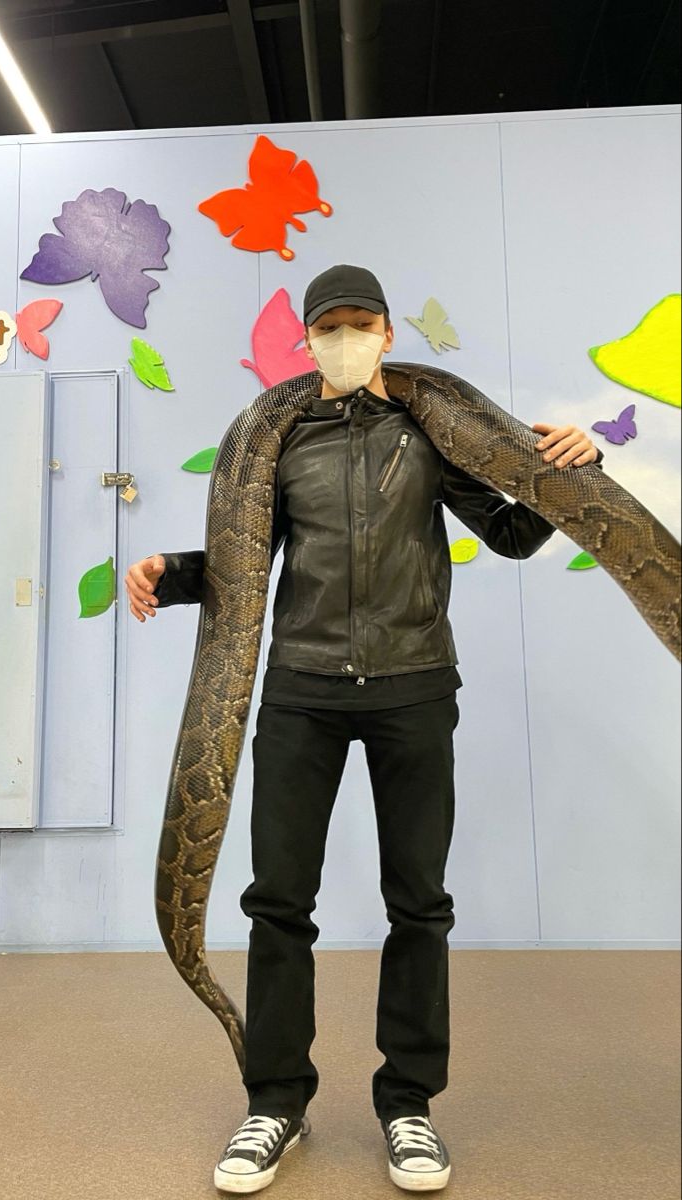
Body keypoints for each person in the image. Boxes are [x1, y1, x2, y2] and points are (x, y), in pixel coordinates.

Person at [125, 265, 604, 1195]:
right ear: (307, 341)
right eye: (328, 326)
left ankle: (409, 1107)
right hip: (301, 692)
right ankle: (274, 1102)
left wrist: (574, 468)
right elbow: (244, 557)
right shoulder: (279, 441)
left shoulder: (435, 430)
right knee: (277, 903)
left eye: (361, 322)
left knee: (418, 904)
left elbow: (508, 533)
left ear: (386, 332)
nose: (345, 336)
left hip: (414, 689)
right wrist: (171, 572)